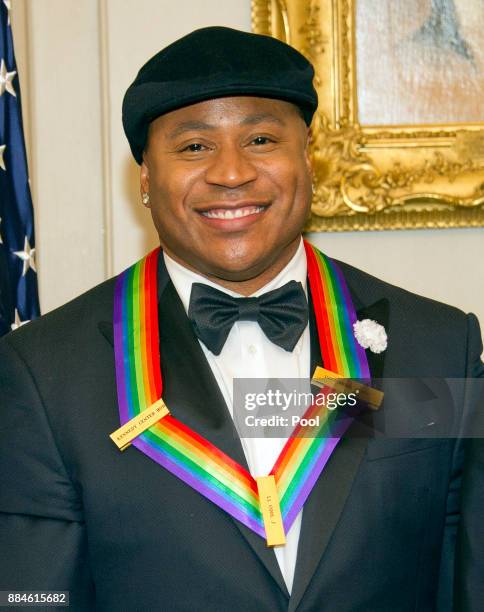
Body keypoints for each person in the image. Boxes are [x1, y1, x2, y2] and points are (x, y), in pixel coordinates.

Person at [0, 26, 482, 612]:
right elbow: (32, 597)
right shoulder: (43, 373)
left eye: (259, 138)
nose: (231, 173)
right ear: (146, 179)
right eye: (194, 147)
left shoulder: (439, 345)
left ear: (309, 157)